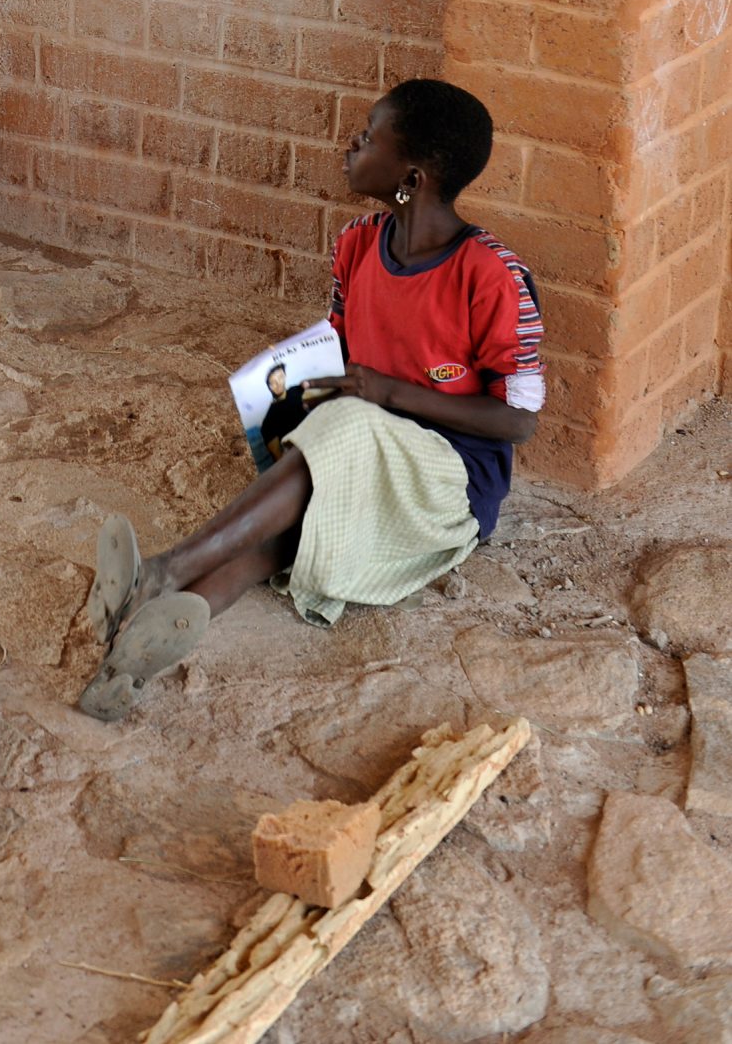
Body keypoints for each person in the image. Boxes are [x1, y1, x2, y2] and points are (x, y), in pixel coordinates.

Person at [80, 78, 544, 720]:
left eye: (370, 134)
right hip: (363, 447)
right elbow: (342, 358)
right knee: (279, 538)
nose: (352, 143)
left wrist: (386, 392)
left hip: (446, 483)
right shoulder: (356, 244)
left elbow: (519, 419)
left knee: (347, 428)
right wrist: (287, 392)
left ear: (410, 175)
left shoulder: (491, 274)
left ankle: (162, 570)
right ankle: (128, 664)